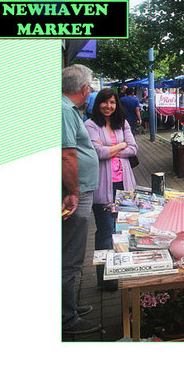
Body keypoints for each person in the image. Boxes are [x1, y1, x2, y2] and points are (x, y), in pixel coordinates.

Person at [84, 88, 138, 291]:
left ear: (117, 105)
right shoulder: (90, 125)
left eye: (112, 103)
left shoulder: (122, 123)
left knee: (124, 229)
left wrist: (111, 150)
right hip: (103, 186)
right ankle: (106, 278)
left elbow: (134, 148)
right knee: (106, 231)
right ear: (98, 104)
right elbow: (97, 152)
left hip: (124, 185)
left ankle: (124, 271)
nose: (109, 106)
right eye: (105, 102)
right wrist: (120, 146)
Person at [62, 64, 101, 334]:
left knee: (71, 253)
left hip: (78, 190)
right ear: (84, 89)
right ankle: (65, 319)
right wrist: (73, 192)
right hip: (75, 193)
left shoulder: (69, 110)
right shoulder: (65, 110)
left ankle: (68, 309)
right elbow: (67, 155)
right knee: (71, 255)